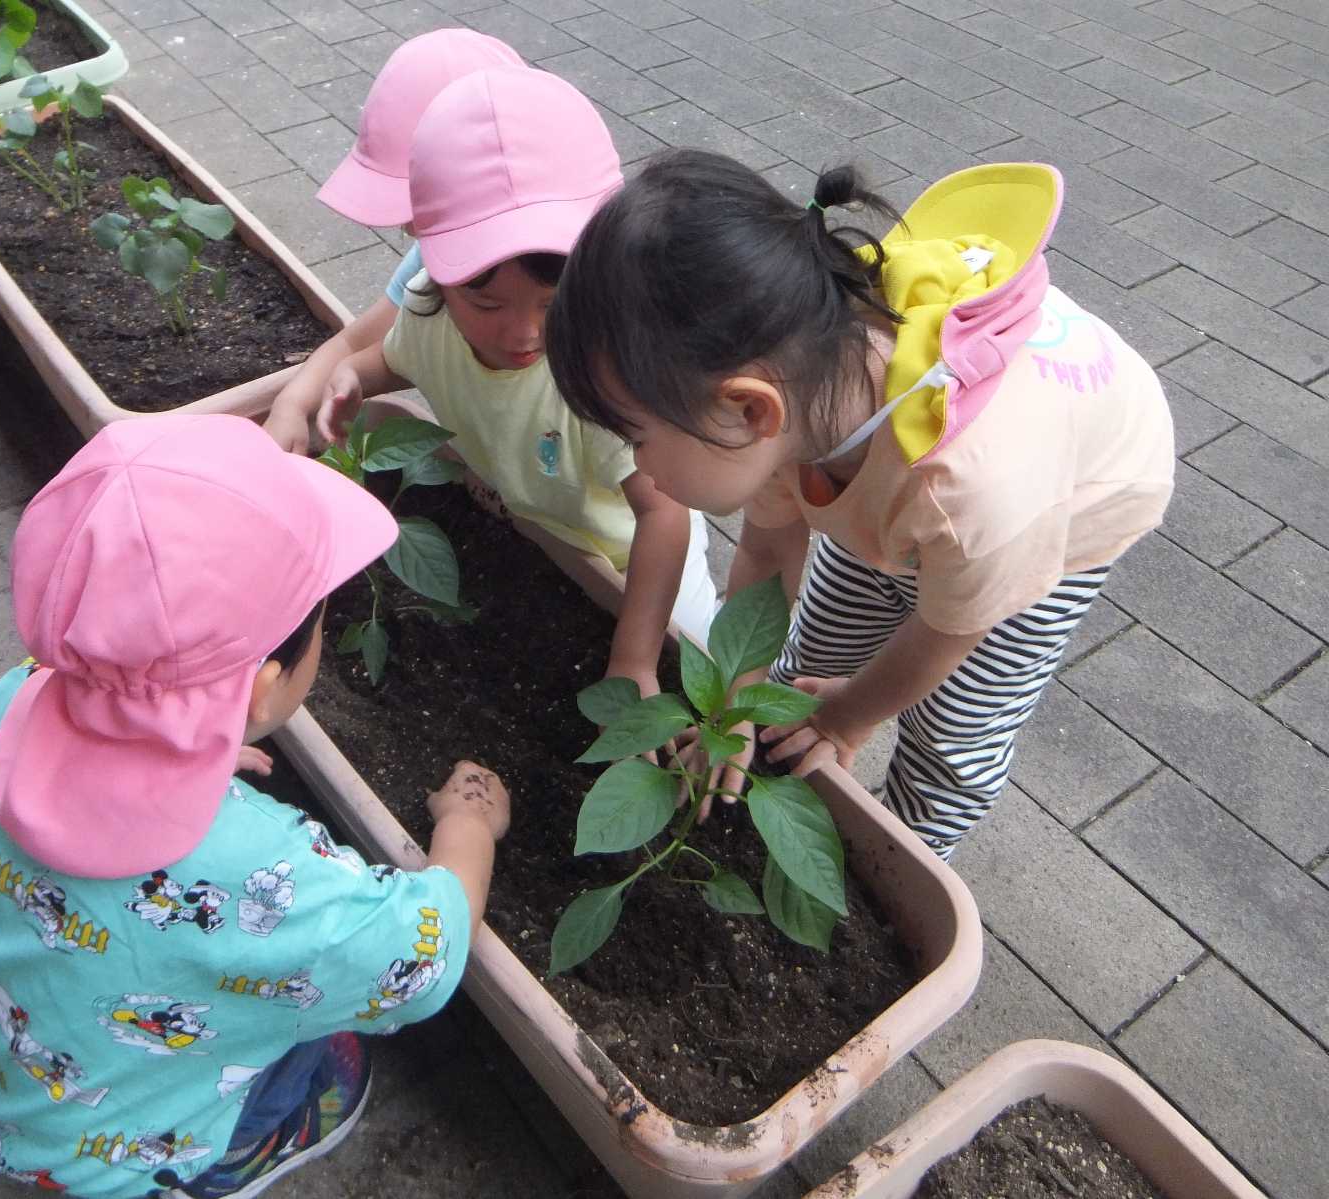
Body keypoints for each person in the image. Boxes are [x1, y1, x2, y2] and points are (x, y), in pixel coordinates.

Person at [0, 413, 510, 1198]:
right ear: (265, 684)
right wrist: (467, 831)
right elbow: (421, 961)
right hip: (114, 1149)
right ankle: (246, 1147)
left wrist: (205, 744)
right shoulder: (264, 877)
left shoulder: (12, 701)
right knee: (326, 1054)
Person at [546, 150, 1175, 859]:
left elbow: (948, 630)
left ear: (750, 412)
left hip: (1063, 502)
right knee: (813, 651)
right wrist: (740, 700)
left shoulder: (965, 492)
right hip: (893, 477)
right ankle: (783, 748)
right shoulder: (798, 396)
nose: (635, 464)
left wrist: (849, 716)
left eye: (637, 437)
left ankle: (911, 844)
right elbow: (765, 551)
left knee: (955, 723)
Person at [298, 66, 718, 697]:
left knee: (692, 664)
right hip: (538, 531)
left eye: (552, 305)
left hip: (637, 557)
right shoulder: (425, 312)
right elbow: (390, 357)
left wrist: (632, 659)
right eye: (486, 305)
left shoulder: (600, 378)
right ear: (432, 269)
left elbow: (664, 514)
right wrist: (349, 379)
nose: (521, 332)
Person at [263, 27, 523, 455]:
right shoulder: (428, 262)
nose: (407, 231)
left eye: (419, 207)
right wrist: (292, 403)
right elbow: (357, 342)